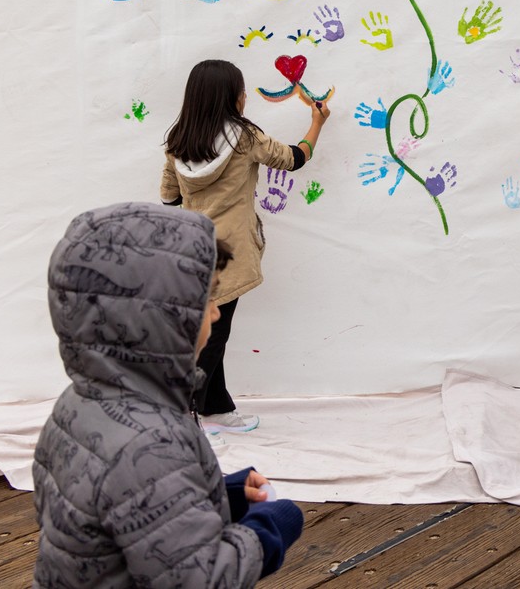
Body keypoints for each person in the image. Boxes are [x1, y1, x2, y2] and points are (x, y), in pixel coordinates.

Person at [32, 203, 305, 587]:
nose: (215, 314)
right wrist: (268, 527)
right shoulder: (151, 444)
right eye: (207, 300)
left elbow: (120, 510)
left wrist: (223, 496)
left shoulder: (76, 405)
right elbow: (201, 580)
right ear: (157, 318)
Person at [161, 58, 329, 434]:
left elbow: (169, 198)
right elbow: (294, 158)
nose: (245, 97)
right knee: (211, 337)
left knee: (211, 331)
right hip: (231, 252)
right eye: (241, 91)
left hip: (193, 251)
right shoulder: (246, 137)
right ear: (230, 98)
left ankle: (216, 408)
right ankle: (184, 421)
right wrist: (317, 123)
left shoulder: (178, 141)